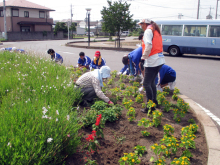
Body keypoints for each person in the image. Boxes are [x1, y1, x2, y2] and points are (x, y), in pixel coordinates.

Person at [138, 18, 165, 113]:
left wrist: (143, 58)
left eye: (141, 24)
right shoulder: (156, 31)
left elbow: (149, 46)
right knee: (152, 82)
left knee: (146, 84)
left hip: (153, 61)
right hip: (160, 59)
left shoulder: (148, 31)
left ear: (145, 24)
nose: (141, 26)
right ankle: (155, 102)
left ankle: (150, 106)